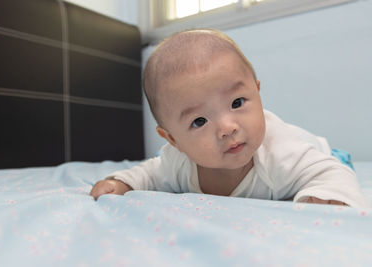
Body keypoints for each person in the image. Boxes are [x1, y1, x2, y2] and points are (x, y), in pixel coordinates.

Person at [90, 29, 369, 209]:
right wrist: (122, 183)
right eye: (199, 121)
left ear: (257, 93)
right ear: (173, 140)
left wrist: (327, 194)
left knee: (337, 168)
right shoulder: (177, 163)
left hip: (324, 153)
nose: (227, 127)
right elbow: (149, 173)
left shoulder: (281, 154)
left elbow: (330, 173)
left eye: (237, 103)